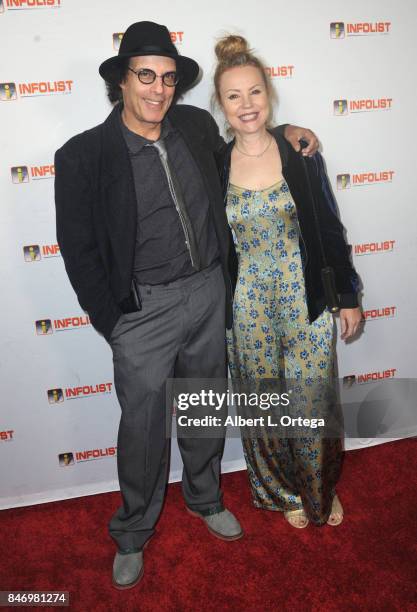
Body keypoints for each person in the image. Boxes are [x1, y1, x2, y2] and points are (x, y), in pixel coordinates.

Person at [54, 21, 319, 589]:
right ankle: (132, 530)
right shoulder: (82, 156)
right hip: (141, 310)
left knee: (201, 407)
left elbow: (248, 146)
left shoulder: (196, 126)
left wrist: (291, 127)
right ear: (121, 81)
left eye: (168, 78)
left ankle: (203, 497)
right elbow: (78, 251)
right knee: (143, 426)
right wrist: (115, 321)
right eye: (145, 76)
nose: (158, 89)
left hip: (207, 292)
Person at [214, 35, 362, 529]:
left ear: (269, 95)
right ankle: (281, 493)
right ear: (221, 105)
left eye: (254, 92)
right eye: (234, 96)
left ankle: (320, 490)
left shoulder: (299, 150)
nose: (246, 104)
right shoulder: (212, 165)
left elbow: (329, 228)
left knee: (313, 400)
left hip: (307, 299)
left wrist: (346, 296)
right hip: (246, 304)